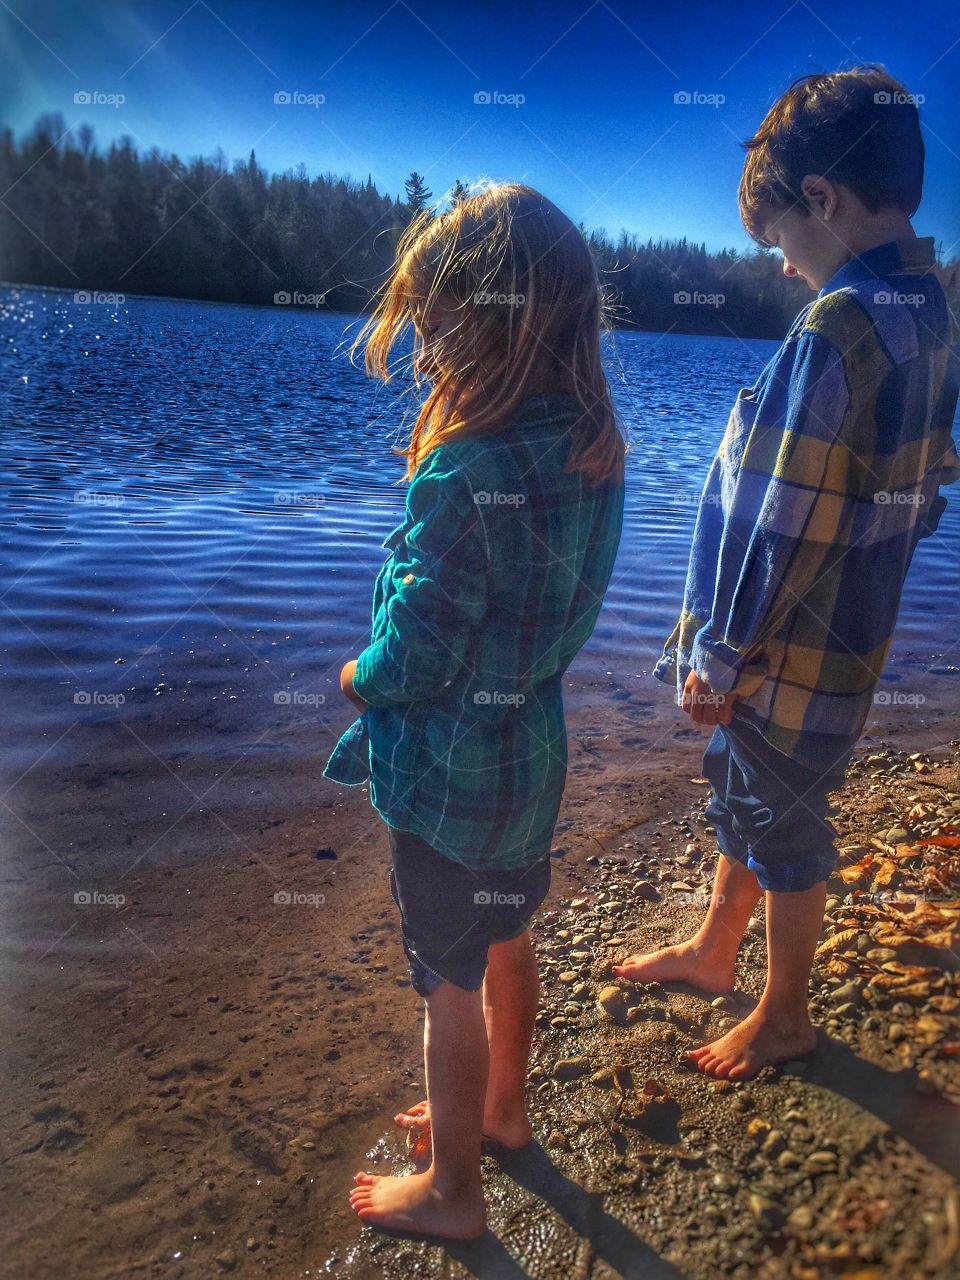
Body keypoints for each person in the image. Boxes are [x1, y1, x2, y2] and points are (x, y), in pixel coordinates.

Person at [614, 65, 960, 1081]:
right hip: (853, 635)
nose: (786, 268)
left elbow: (781, 519)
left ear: (823, 200)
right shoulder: (934, 315)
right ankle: (718, 948)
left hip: (781, 648)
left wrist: (720, 657)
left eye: (783, 242)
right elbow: (928, 487)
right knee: (755, 790)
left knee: (784, 820)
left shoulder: (839, 327)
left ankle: (786, 1013)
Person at [323, 181, 626, 1238]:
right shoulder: (597, 449)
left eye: (435, 315)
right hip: (529, 757)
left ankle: (454, 1193)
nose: (424, 339)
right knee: (508, 935)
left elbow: (422, 645)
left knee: (446, 982)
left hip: (448, 776)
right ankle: (503, 1109)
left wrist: (360, 675)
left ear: (484, 320)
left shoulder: (462, 467)